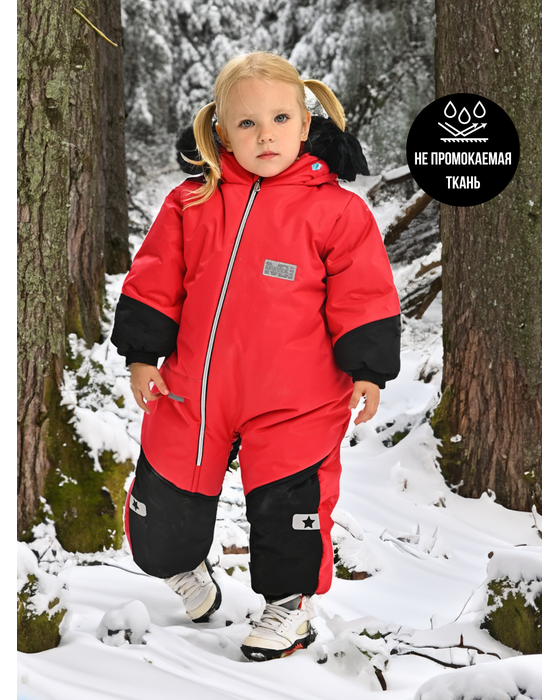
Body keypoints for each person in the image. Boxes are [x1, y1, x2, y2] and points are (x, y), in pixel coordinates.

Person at [111, 51, 401, 662]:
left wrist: (369, 370)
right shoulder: (192, 201)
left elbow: (364, 292)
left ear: (305, 123)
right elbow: (154, 279)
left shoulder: (337, 210)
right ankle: (182, 568)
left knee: (289, 507)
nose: (265, 135)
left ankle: (289, 607)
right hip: (194, 389)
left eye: (279, 119)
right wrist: (142, 354)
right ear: (221, 132)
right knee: (162, 511)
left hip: (296, 397)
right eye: (247, 123)